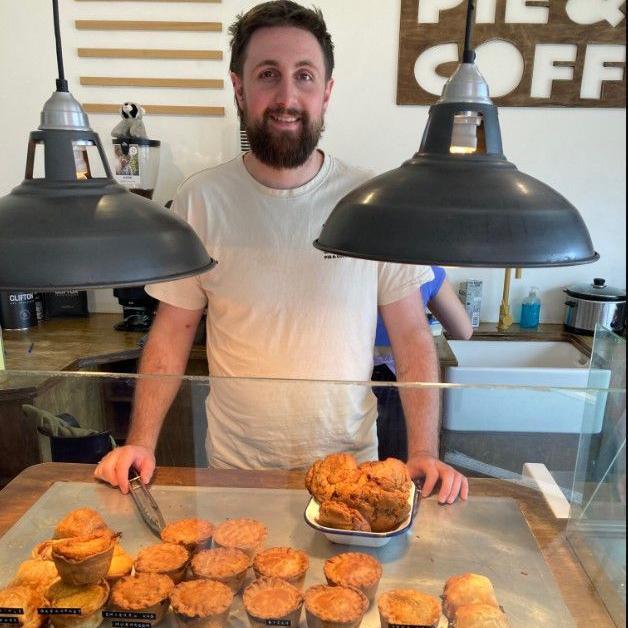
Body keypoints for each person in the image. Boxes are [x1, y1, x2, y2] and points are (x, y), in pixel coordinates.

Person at [94, 0, 469, 505]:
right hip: (237, 473)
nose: (287, 96)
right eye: (268, 74)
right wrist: (140, 442)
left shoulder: (373, 201)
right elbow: (172, 330)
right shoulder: (199, 200)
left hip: (352, 475)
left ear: (327, 93)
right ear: (239, 87)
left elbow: (410, 334)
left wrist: (424, 450)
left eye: (305, 76)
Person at [373, 266, 473, 461]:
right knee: (397, 472)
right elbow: (463, 330)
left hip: (350, 380)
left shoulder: (347, 253)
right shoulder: (423, 268)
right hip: (404, 382)